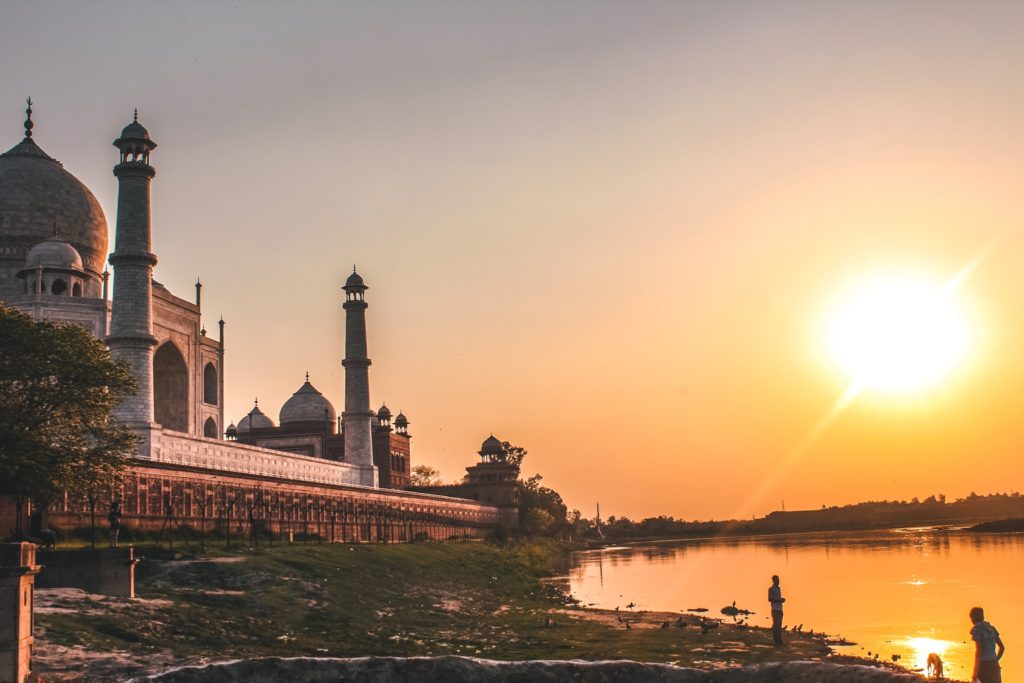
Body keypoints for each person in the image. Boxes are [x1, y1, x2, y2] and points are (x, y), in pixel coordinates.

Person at [970, 606, 1004, 683]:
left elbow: (978, 652)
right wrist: (995, 660)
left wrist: (975, 671)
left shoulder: (976, 630)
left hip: (983, 666)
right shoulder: (992, 628)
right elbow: (1002, 648)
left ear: (973, 618)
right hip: (994, 665)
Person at [768, 574, 786, 646]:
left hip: (780, 608)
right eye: (777, 580)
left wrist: (781, 600)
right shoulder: (771, 589)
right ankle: (777, 641)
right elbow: (770, 599)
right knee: (776, 626)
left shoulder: (779, 588)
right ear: (773, 581)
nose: (778, 581)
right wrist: (779, 600)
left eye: (778, 580)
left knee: (779, 625)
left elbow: (778, 597)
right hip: (775, 609)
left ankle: (779, 641)